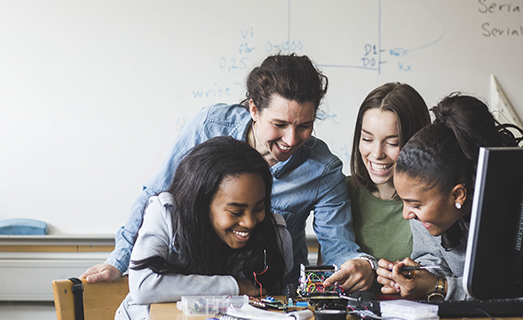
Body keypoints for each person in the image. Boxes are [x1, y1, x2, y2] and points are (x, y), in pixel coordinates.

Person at [82, 54, 375, 292]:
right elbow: (155, 196)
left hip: (269, 293)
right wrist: (119, 260)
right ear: (253, 109)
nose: (291, 139)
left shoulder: (323, 169)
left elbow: (338, 246)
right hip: (194, 285)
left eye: (304, 126)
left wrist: (358, 265)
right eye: (280, 124)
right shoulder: (208, 127)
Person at [110, 137, 293, 320]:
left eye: (259, 208)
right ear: (201, 204)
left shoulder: (274, 234)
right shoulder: (166, 215)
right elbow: (144, 286)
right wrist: (235, 286)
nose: (249, 222)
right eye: (235, 212)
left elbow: (278, 299)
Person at [376, 93, 523, 301]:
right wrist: (417, 277)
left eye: (415, 205)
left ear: (458, 195)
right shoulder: (426, 216)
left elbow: (517, 292)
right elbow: (435, 260)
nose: (406, 214)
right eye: (404, 201)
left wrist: (439, 287)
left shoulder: (516, 213)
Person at [346, 82, 430, 263]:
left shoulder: (434, 201)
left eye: (392, 143)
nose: (376, 154)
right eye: (367, 139)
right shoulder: (341, 192)